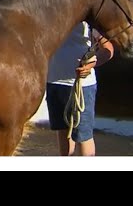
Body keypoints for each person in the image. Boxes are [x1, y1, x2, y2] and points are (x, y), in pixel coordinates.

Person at [46, 22, 114, 156]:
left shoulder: (87, 22)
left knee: (83, 136)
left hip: (82, 87)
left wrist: (93, 63)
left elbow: (108, 49)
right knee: (63, 131)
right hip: (54, 82)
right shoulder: (54, 16)